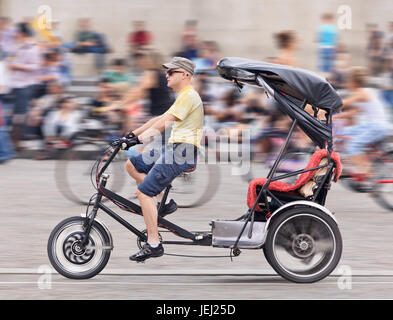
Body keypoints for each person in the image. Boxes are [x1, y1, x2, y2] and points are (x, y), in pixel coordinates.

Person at [124, 57, 203, 262]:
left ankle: (153, 244)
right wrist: (130, 136)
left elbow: (165, 123)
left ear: (184, 75)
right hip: (173, 148)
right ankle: (163, 202)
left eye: (171, 72)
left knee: (143, 193)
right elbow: (156, 120)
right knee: (132, 164)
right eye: (166, 72)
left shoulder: (189, 96)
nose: (166, 75)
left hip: (182, 152)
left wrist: (139, 140)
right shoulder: (182, 96)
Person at [333, 66, 391, 180]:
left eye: (347, 81)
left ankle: (367, 173)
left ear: (353, 82)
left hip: (378, 127)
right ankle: (356, 163)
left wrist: (326, 106)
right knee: (342, 133)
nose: (345, 83)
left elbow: (343, 103)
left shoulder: (362, 94)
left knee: (353, 145)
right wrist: (335, 116)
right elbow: (353, 112)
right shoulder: (364, 92)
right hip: (371, 126)